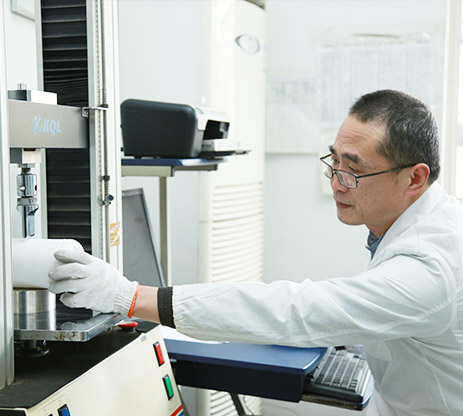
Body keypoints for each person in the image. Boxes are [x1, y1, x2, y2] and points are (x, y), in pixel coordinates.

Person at [49, 89, 463, 416]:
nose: (336, 181)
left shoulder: (431, 266)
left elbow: (298, 310)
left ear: (415, 179)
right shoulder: (423, 223)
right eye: (334, 161)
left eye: (353, 170)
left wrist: (129, 296)